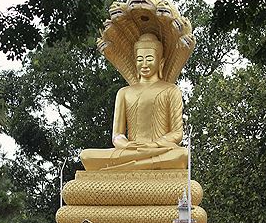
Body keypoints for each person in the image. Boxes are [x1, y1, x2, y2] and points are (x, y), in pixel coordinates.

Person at [80, 33, 188, 171]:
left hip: (158, 150)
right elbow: (117, 135)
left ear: (161, 62)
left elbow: (177, 133)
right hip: (130, 151)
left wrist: (153, 145)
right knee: (86, 156)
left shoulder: (171, 90)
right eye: (139, 59)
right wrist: (126, 145)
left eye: (149, 59)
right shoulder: (124, 92)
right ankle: (139, 164)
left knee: (182, 154)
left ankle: (130, 166)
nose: (144, 64)